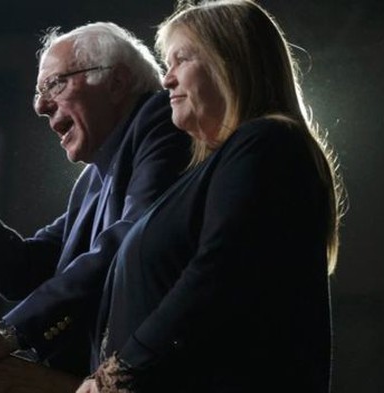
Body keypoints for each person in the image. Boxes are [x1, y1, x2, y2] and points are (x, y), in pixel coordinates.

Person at [0, 22, 193, 390]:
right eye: (39, 92)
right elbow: (25, 269)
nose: (39, 105)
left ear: (116, 83)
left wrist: (7, 332)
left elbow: (130, 242)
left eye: (55, 84)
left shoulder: (161, 122)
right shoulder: (93, 179)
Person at [76, 1, 346, 392]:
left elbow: (219, 272)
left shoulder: (268, 142)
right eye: (165, 65)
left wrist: (118, 372)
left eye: (180, 60)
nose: (166, 80)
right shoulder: (214, 169)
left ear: (231, 61)